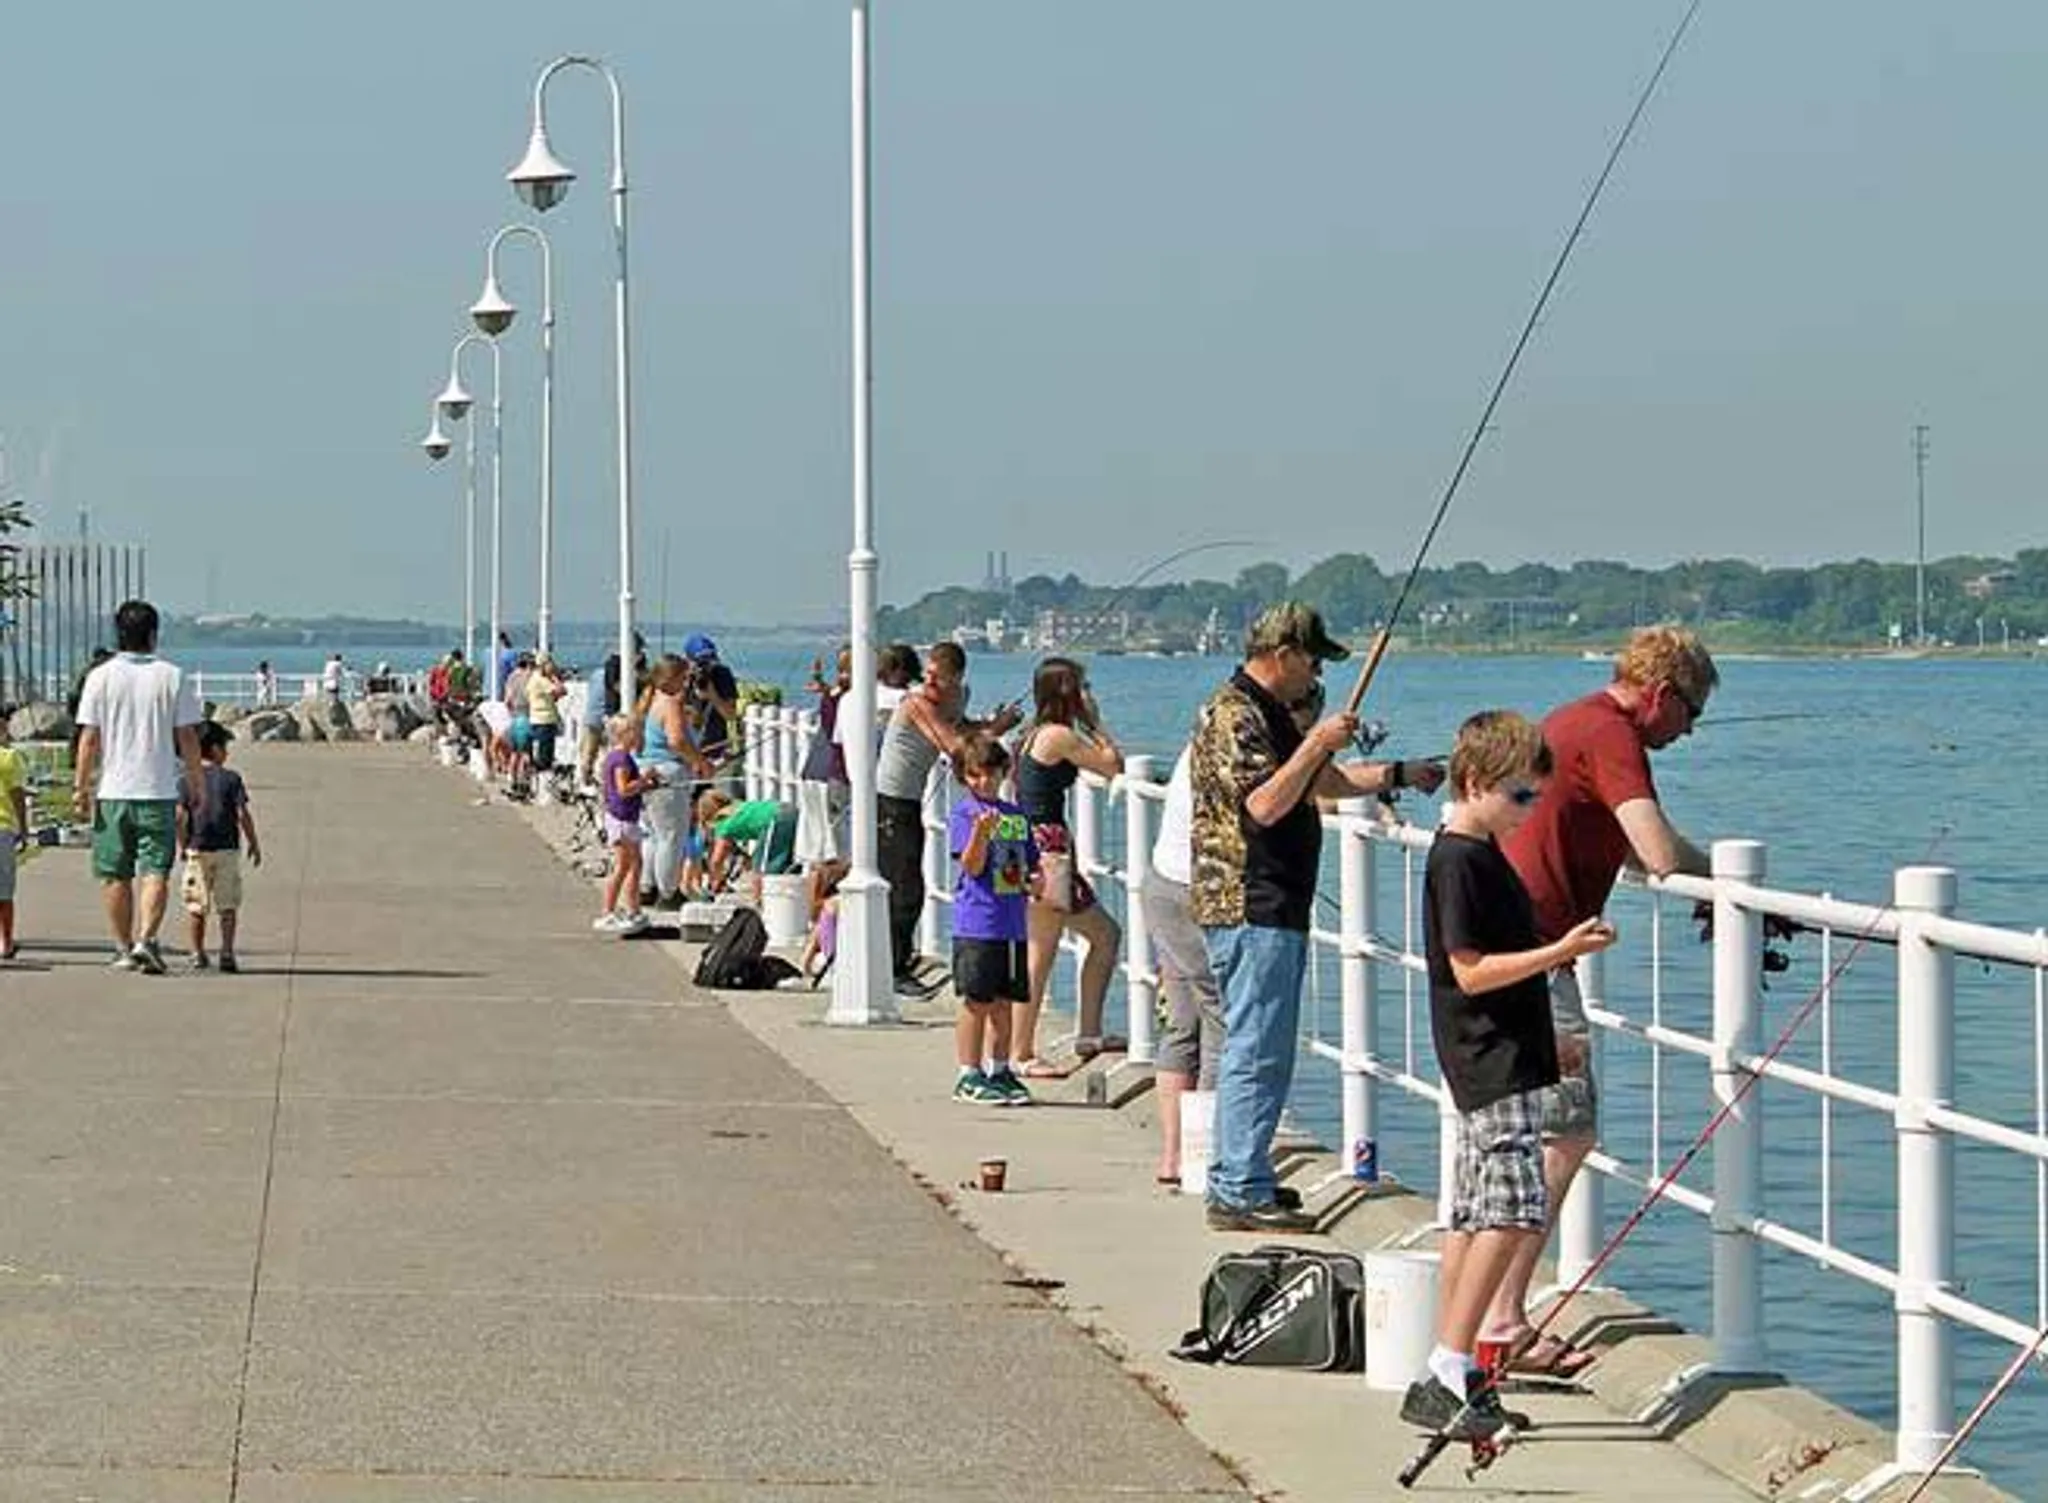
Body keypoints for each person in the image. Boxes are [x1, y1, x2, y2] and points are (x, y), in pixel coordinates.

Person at [1479, 624, 1719, 1372]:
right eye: (1691, 712)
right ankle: (1502, 1319)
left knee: (1522, 1138)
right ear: (1660, 694)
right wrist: (1720, 877)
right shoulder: (1613, 736)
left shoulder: (1573, 718)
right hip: (1537, 956)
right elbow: (1652, 849)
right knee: (1563, 1135)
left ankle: (1493, 1313)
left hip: (1511, 946)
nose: (1689, 731)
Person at [1189, 602, 1444, 1233]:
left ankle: (1239, 1174)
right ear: (1285, 656)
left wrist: (1396, 774)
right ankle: (1239, 1185)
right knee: (1257, 1048)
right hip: (1251, 900)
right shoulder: (1235, 714)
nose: (1316, 678)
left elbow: (1318, 784)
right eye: (1313, 662)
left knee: (1259, 1045)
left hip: (1273, 901)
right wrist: (1314, 743)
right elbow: (1267, 803)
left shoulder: (1266, 713)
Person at [1404, 709, 1617, 1440]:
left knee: (1471, 1211)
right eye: (1520, 797)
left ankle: (1450, 1366)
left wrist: (1546, 1040)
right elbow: (1469, 972)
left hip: (1504, 1053)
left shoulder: (1481, 850)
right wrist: (1558, 950)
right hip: (1488, 1059)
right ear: (1474, 783)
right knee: (1510, 1210)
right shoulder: (1460, 859)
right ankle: (1449, 1361)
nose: (1529, 813)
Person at [874, 641, 1021, 999]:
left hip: (911, 801)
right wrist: (995, 730)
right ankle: (893, 967)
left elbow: (964, 727)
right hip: (891, 800)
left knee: (908, 880)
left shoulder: (956, 698)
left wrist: (989, 725)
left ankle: (899, 958)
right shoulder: (916, 703)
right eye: (927, 675)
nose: (929, 683)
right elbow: (954, 746)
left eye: (938, 678)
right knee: (906, 885)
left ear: (957, 678)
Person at [73, 599, 204, 975]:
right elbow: (188, 738)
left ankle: (123, 947)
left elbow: (88, 739)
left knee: (114, 873)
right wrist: (197, 782)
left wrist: (81, 788)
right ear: (153, 634)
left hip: (113, 791)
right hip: (158, 790)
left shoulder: (100, 677)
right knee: (155, 870)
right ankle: (147, 938)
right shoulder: (172, 676)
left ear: (119, 634)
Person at [1012, 656, 1124, 1076]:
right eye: (1083, 686)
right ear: (1068, 692)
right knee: (1040, 954)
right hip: (1048, 854)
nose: (1088, 694)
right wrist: (1096, 723)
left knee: (1106, 935)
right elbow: (1112, 765)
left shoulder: (1029, 735)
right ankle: (1021, 1054)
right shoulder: (1058, 737)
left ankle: (1089, 1033)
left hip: (1040, 849)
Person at [946, 733, 1038, 1106]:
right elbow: (970, 865)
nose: (984, 782)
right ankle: (968, 1072)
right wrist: (980, 835)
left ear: (1004, 772)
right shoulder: (965, 814)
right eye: (974, 775)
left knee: (1004, 1001)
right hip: (977, 922)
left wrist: (1037, 879)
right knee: (977, 1000)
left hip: (1012, 921)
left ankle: (1000, 1068)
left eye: (990, 774)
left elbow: (1026, 863)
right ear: (965, 778)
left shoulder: (1015, 817)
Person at [176, 721, 261, 973]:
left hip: (197, 848)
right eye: (225, 747)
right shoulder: (232, 779)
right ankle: (226, 951)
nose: (227, 753)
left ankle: (197, 952)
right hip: (227, 849)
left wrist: (182, 845)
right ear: (214, 749)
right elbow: (241, 813)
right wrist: (253, 842)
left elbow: (180, 816)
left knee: (196, 906)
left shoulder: (186, 780)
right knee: (228, 906)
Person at [638, 656, 713, 906]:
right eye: (684, 677)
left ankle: (647, 886)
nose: (687, 682)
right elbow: (676, 740)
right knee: (672, 836)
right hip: (668, 774)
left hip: (648, 770)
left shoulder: (652, 701)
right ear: (671, 678)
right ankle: (668, 892)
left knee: (653, 835)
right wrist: (700, 762)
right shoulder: (670, 704)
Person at [594, 715, 657, 935]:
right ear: (624, 735)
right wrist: (644, 779)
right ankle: (608, 911)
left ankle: (633, 908)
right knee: (623, 866)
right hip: (621, 818)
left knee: (635, 864)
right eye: (635, 731)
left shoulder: (616, 756)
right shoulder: (621, 759)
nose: (639, 736)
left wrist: (645, 785)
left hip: (624, 816)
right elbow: (623, 789)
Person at [794, 647, 852, 867]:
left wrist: (823, 685)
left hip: (816, 771)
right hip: (834, 774)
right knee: (836, 845)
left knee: (817, 844)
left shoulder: (833, 697)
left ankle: (815, 887)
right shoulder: (849, 700)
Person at [695, 788, 800, 899]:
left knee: (760, 871)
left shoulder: (723, 822)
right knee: (783, 866)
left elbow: (717, 860)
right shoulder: (738, 807)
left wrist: (716, 879)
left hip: (776, 819)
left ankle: (760, 905)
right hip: (788, 810)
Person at [682, 633, 740, 771]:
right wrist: (685, 685)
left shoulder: (722, 674)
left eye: (708, 661)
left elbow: (731, 715)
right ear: (688, 660)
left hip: (715, 748)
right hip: (687, 750)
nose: (704, 667)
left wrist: (712, 695)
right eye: (700, 662)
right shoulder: (681, 675)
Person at [0, 710, 26, 960]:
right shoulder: (9, 757)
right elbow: (17, 795)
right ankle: (5, 941)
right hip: (3, 829)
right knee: (4, 891)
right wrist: (24, 828)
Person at [525, 652, 566, 774]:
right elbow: (562, 691)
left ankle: (538, 784)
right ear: (543, 665)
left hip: (537, 720)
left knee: (541, 756)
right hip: (544, 721)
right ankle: (543, 786)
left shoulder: (533, 678)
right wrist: (555, 678)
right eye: (550, 664)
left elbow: (551, 696)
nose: (552, 666)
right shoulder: (541, 679)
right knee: (545, 758)